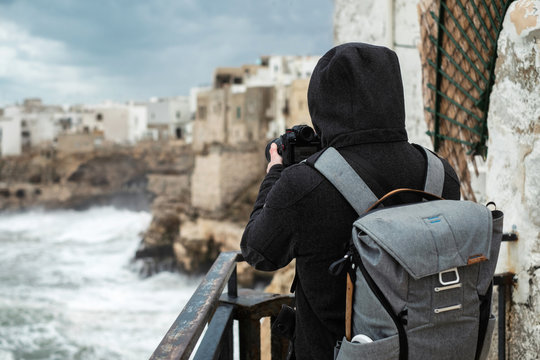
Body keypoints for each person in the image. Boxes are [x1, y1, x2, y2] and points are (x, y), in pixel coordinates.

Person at [240, 42, 460, 360]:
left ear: (321, 101)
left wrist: (275, 173)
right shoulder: (441, 174)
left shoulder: (303, 184)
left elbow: (258, 251)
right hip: (424, 350)